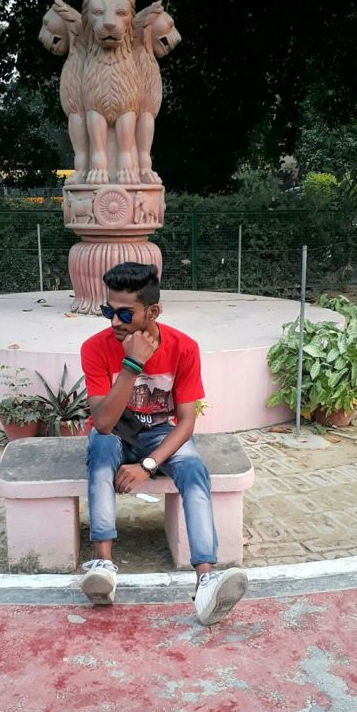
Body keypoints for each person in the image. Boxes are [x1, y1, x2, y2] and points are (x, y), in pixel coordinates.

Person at [80, 262, 248, 625]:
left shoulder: (183, 348)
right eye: (109, 311)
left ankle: (206, 580)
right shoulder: (95, 348)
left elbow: (186, 423)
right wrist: (131, 364)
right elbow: (104, 422)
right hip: (116, 432)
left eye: (125, 314)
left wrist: (148, 466)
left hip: (160, 433)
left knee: (194, 470)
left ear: (153, 312)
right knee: (101, 446)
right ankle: (103, 566)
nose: (115, 322)